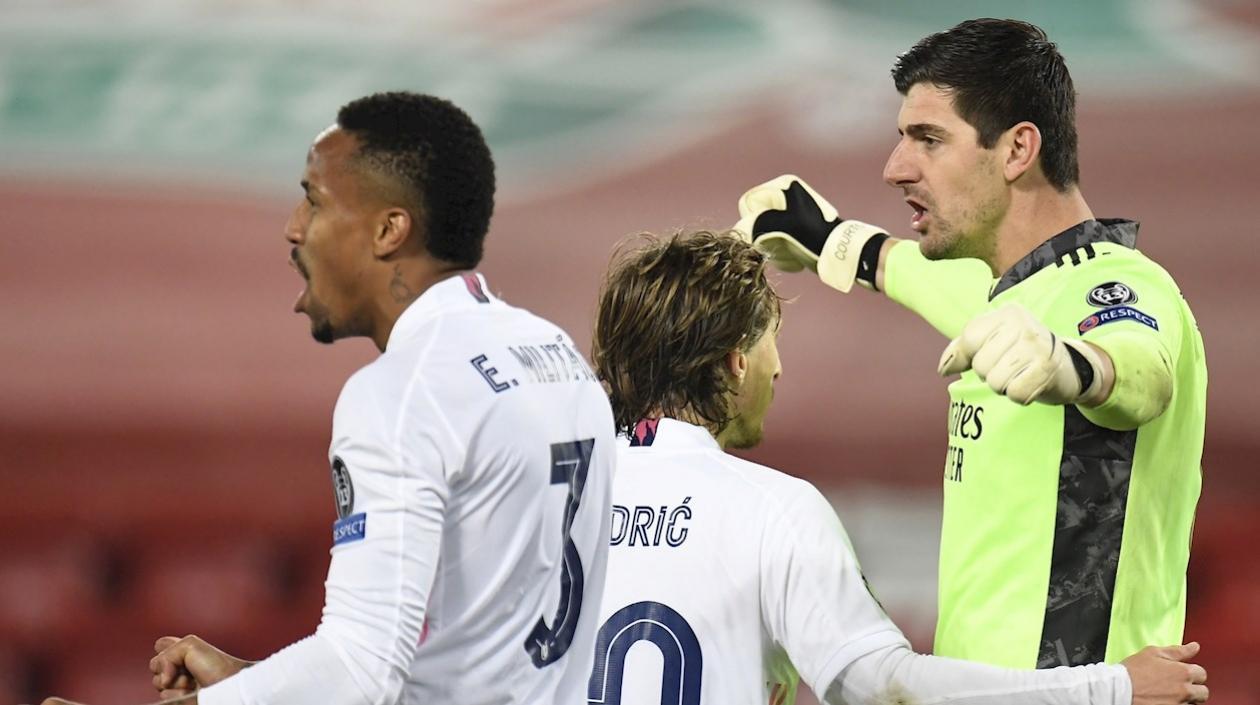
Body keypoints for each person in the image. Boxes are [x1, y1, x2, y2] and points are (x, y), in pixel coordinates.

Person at [41, 92, 615, 705]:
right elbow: (480, 658)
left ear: (389, 230)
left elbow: (360, 674)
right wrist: (251, 683)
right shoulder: (555, 354)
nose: (293, 227)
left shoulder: (401, 392)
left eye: (314, 200)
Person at [733, 18, 1206, 672]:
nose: (895, 168)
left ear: (1016, 150)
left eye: (929, 139)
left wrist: (1072, 364)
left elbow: (1140, 371)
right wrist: (830, 239)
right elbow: (914, 273)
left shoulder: (1120, 286)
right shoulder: (1010, 293)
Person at [586, 229, 1206, 705]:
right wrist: (1111, 688)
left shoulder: (554, 500)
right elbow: (883, 687)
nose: (779, 368)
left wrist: (848, 242)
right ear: (735, 363)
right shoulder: (772, 513)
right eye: (770, 339)